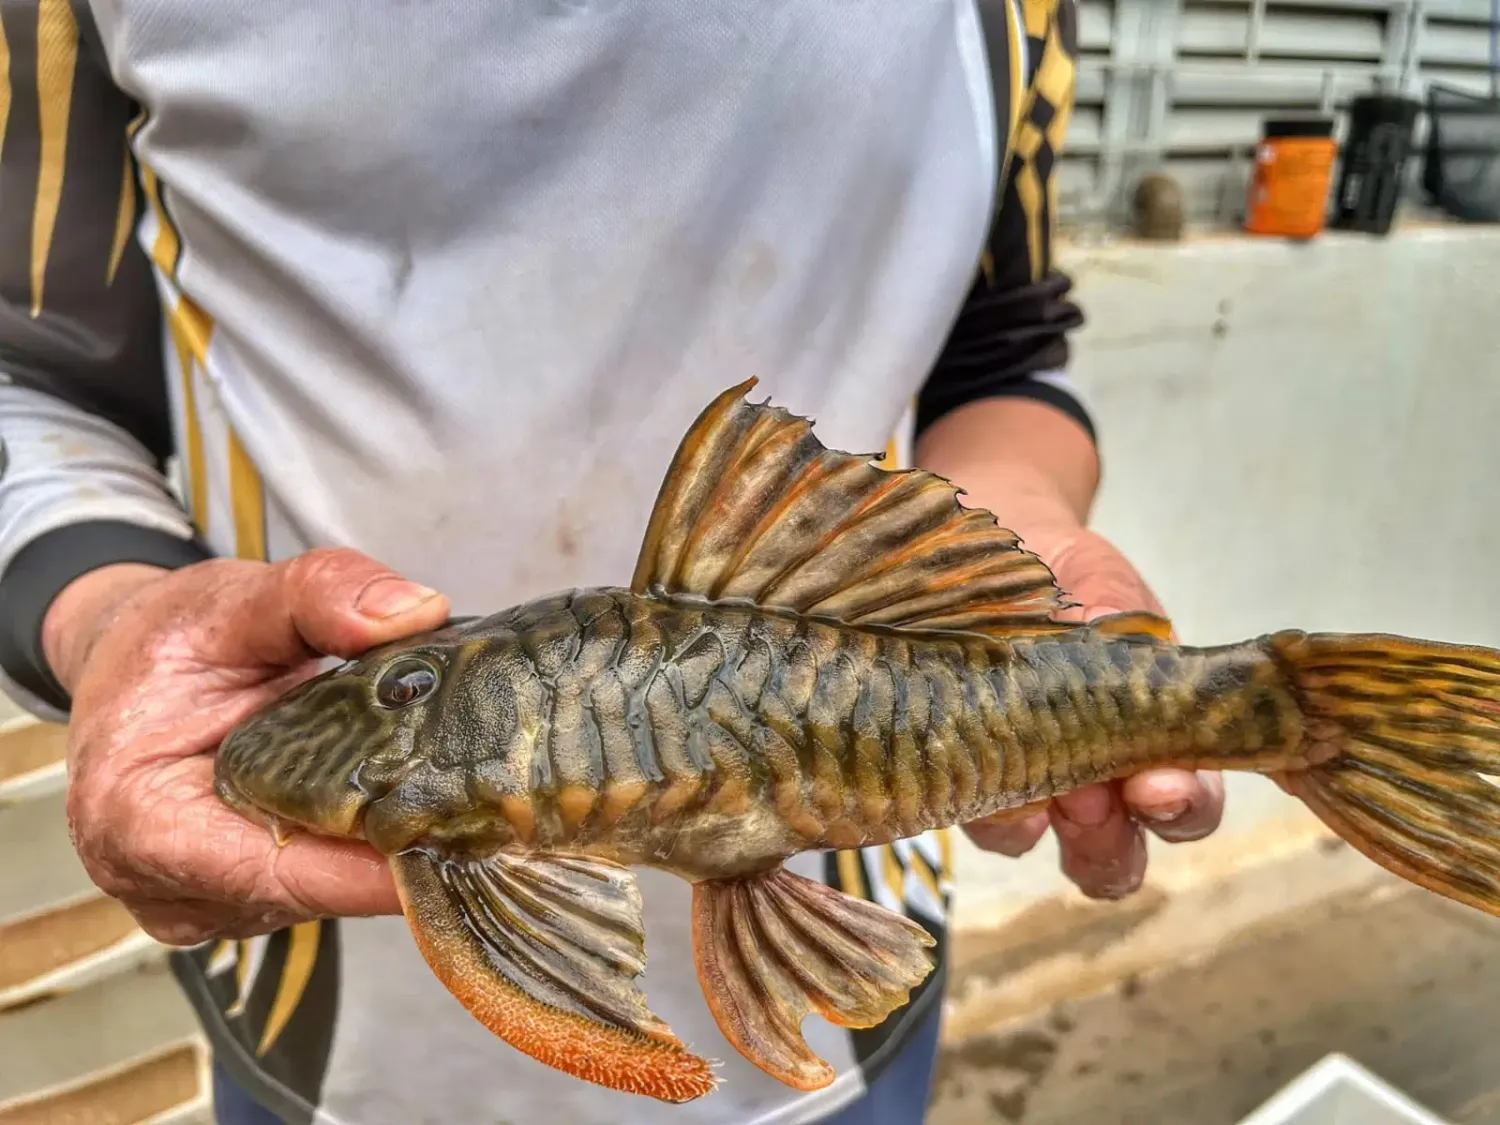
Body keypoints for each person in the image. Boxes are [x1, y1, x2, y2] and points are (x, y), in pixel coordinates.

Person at [0, 0, 1225, 1121]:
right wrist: (117, 626)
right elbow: (30, 371)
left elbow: (998, 352)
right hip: (326, 1023)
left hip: (850, 954)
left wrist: (1026, 553)